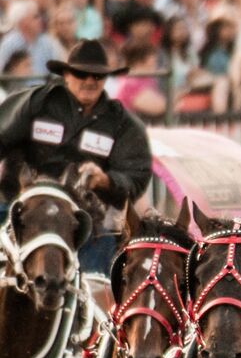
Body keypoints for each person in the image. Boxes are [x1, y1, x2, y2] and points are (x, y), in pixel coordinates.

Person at [0, 40, 153, 275]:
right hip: (23, 211)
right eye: (82, 74)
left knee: (97, 282)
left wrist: (106, 180)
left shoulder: (122, 123)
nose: (90, 81)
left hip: (87, 220)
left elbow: (136, 175)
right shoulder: (36, 103)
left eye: (98, 76)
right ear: (66, 74)